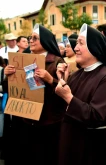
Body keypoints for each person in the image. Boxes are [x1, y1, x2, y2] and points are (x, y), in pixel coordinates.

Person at [55, 23, 106, 165]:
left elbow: (95, 116)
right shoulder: (77, 74)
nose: (75, 48)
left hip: (92, 149)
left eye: (80, 43)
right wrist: (63, 81)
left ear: (94, 47)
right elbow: (65, 109)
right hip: (72, 144)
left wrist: (68, 96)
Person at [3, 23, 66, 165]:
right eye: (30, 37)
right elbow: (10, 89)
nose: (31, 40)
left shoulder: (57, 62)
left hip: (49, 123)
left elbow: (66, 93)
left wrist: (50, 79)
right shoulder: (23, 60)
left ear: (45, 41)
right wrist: (8, 76)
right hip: (27, 121)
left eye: (35, 38)